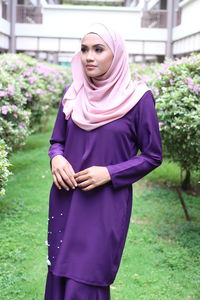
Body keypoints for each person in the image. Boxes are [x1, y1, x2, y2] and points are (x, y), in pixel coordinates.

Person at [44, 23, 162, 300]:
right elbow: (56, 141)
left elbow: (152, 155)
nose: (89, 57)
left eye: (99, 49)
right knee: (59, 272)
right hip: (66, 198)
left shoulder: (138, 99)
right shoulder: (73, 92)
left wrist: (109, 172)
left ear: (116, 54)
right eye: (84, 49)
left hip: (105, 205)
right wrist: (57, 157)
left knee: (87, 279)